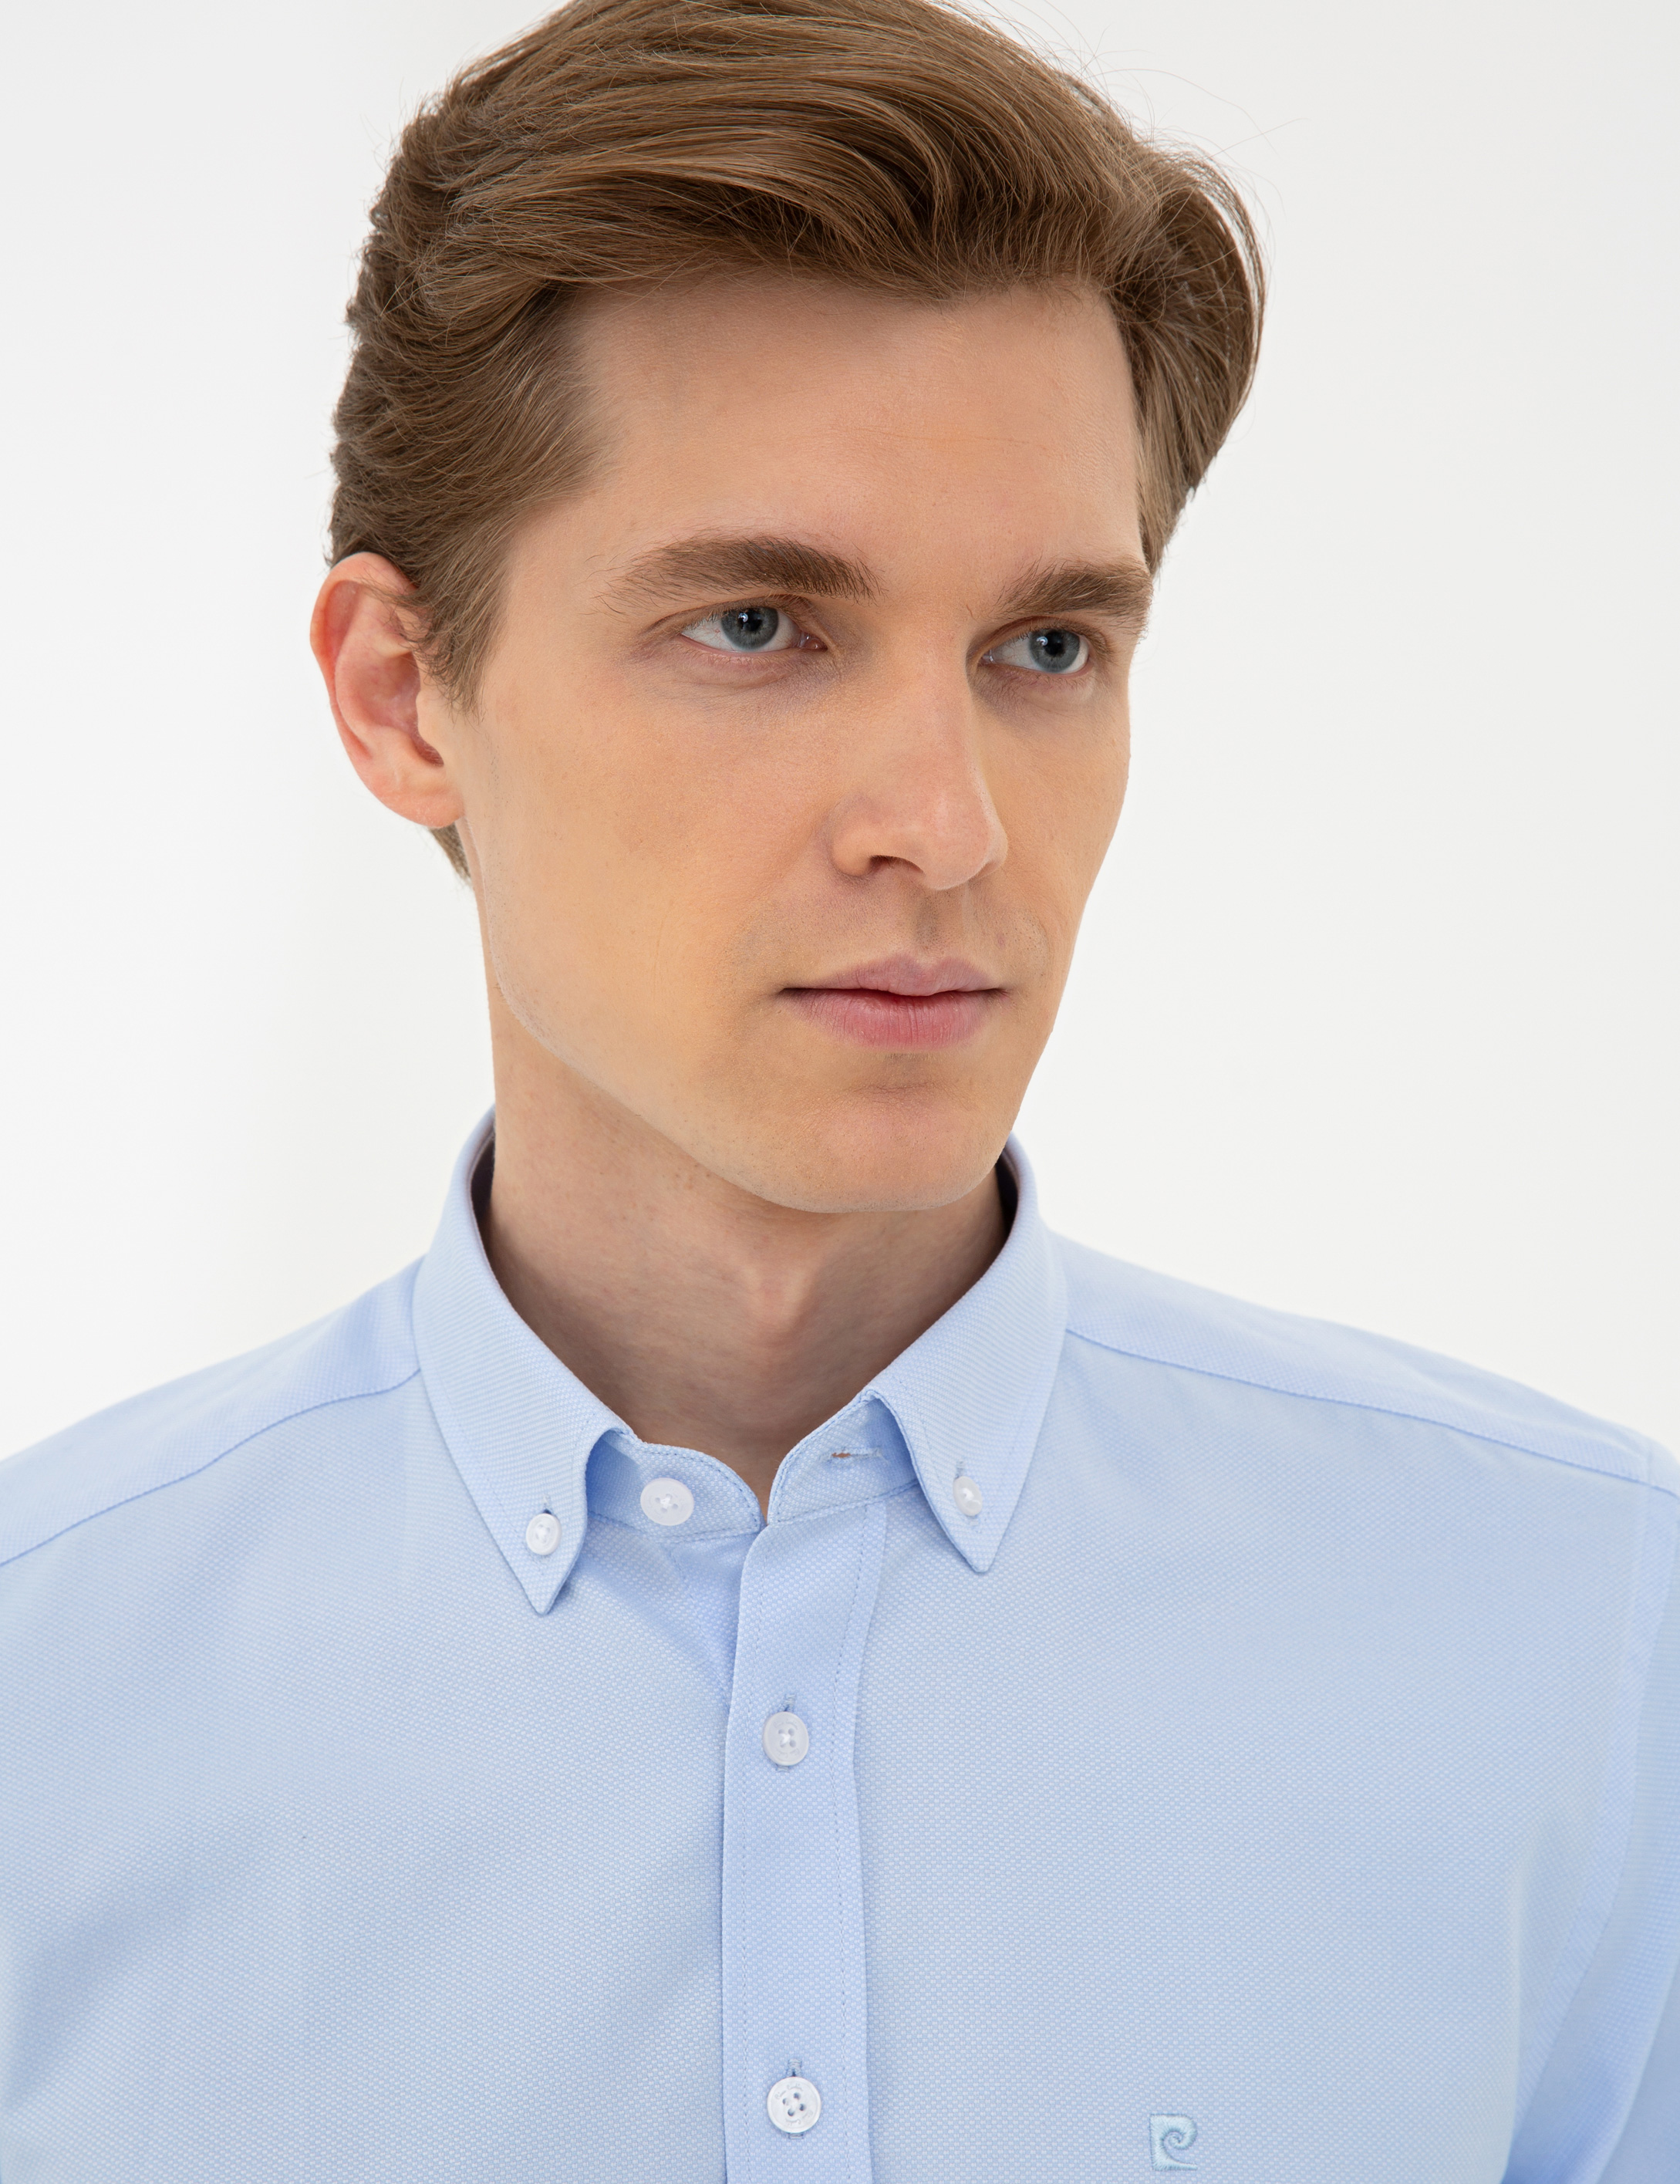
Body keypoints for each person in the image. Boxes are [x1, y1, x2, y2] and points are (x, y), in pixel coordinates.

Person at [2, 0, 1674, 2173]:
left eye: (1046, 648)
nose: (947, 826)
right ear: (405, 696)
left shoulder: (1585, 1646)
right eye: (759, 628)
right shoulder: (46, 1695)